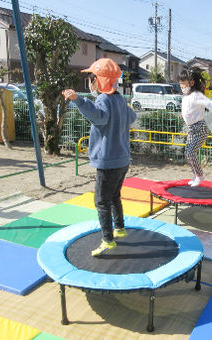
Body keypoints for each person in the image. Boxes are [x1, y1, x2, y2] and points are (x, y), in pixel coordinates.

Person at [62, 58, 136, 256]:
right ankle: (119, 228)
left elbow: (99, 117)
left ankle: (108, 240)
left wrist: (78, 100)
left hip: (108, 161)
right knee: (114, 197)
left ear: (98, 81)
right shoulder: (120, 99)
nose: (89, 83)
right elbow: (132, 117)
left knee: (101, 201)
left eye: (90, 78)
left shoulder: (103, 99)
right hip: (123, 160)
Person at [177, 67, 212, 187]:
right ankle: (196, 174)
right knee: (187, 153)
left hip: (200, 128)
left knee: (191, 152)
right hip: (191, 129)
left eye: (183, 85)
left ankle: (200, 176)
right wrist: (184, 115)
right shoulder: (186, 96)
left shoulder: (196, 94)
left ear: (191, 83)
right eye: (180, 85)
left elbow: (208, 102)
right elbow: (188, 108)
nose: (182, 87)